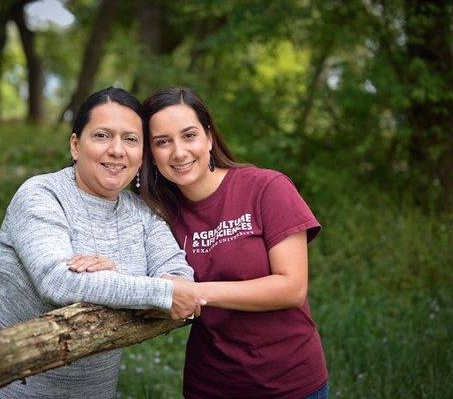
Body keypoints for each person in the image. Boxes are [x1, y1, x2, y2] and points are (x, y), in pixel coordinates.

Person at [0, 87, 202, 398]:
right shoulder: (41, 195)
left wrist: (113, 277)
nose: (117, 150)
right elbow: (58, 283)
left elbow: (181, 277)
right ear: (76, 145)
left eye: (130, 139)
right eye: (102, 136)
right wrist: (152, 289)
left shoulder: (143, 212)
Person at [140, 87, 329, 399]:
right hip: (210, 386)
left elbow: (293, 288)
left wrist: (196, 293)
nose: (178, 152)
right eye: (163, 142)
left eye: (189, 135)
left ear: (209, 138)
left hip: (289, 384)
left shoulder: (266, 188)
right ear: (151, 153)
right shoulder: (160, 215)